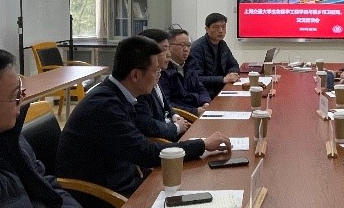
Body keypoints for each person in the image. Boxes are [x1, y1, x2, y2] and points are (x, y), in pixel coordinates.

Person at [56, 36, 231, 198]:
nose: (158, 77)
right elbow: (145, 152)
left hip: (122, 177)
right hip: (102, 195)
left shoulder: (117, 94)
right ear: (135, 75)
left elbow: (133, 146)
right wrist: (203, 145)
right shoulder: (105, 106)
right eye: (155, 71)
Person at [0, 43, 91, 208]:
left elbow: (45, 183)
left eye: (21, 91)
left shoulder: (7, 137)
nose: (22, 101)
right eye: (15, 95)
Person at [135, 29, 190, 142]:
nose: (169, 55)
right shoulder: (141, 83)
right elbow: (148, 125)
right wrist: (176, 127)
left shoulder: (157, 73)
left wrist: (175, 116)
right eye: (164, 49)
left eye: (168, 48)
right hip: (163, 142)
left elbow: (165, 105)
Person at [160, 28, 211, 116]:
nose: (186, 49)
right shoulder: (163, 70)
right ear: (169, 47)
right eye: (181, 45)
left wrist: (205, 102)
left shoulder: (190, 65)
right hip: (182, 116)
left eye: (188, 45)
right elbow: (166, 103)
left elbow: (200, 88)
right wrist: (194, 111)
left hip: (198, 109)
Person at [188, 13, 240, 98]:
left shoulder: (222, 44)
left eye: (223, 27)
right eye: (216, 27)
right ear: (207, 29)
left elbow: (233, 64)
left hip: (221, 89)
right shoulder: (197, 48)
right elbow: (196, 78)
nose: (221, 31)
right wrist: (223, 79)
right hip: (205, 94)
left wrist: (232, 74)